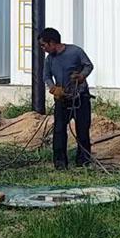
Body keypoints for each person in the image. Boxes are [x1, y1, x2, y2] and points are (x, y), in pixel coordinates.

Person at [39, 27, 94, 170]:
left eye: (44, 45)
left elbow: (88, 65)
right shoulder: (49, 59)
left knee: (82, 130)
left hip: (80, 98)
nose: (43, 48)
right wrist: (53, 88)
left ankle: (83, 162)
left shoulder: (75, 52)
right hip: (62, 100)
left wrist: (81, 76)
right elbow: (46, 76)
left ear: (52, 42)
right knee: (59, 131)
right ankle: (60, 163)